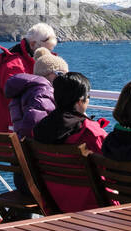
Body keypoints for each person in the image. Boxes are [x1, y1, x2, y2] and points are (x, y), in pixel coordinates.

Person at [34, 72, 110, 212]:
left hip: (54, 204)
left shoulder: (40, 128)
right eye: (88, 97)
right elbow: (111, 169)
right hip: (92, 205)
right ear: (80, 100)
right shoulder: (89, 132)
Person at [0, 22, 57, 133]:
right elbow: (19, 101)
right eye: (47, 50)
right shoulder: (13, 66)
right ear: (33, 45)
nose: (49, 55)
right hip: (8, 133)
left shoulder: (26, 61)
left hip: (9, 131)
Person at [4, 47, 67, 138]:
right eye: (61, 74)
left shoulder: (25, 89)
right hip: (35, 147)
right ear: (48, 73)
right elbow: (33, 126)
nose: (64, 78)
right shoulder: (43, 92)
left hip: (24, 144)